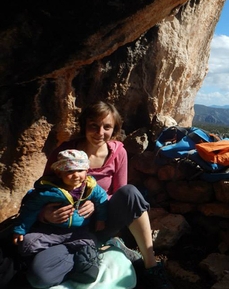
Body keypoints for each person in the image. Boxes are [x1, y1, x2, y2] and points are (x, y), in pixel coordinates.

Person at [35, 101, 171, 289]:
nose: (100, 133)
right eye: (94, 126)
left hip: (101, 220)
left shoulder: (118, 152)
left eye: (107, 127)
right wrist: (46, 214)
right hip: (66, 226)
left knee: (131, 193)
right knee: (41, 276)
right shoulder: (64, 153)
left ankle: (151, 265)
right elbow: (43, 190)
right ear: (84, 125)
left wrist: (96, 203)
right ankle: (101, 247)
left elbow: (120, 193)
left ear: (114, 129)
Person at [13, 149, 108, 286]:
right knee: (26, 244)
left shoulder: (91, 188)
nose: (76, 175)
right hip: (52, 231)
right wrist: (20, 229)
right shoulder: (49, 191)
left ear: (87, 170)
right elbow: (30, 208)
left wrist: (101, 219)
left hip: (78, 232)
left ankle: (83, 257)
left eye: (80, 170)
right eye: (69, 171)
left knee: (88, 241)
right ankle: (54, 257)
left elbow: (102, 201)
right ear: (59, 173)